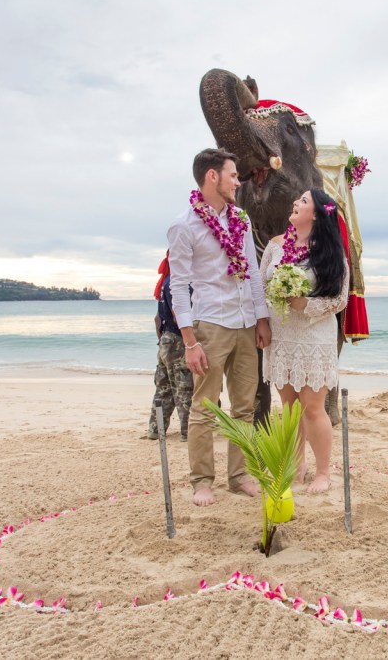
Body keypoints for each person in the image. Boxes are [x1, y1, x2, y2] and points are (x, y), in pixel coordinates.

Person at [168, 148, 271, 507]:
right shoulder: (184, 225)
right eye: (233, 175)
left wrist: (261, 319)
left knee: (245, 407)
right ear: (212, 177)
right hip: (210, 323)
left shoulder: (241, 218)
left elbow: (254, 274)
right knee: (205, 407)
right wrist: (190, 341)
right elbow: (178, 285)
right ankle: (202, 481)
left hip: (245, 324)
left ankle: (239, 475)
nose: (238, 182)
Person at [260, 188, 349, 493]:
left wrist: (305, 304)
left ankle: (323, 472)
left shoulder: (328, 250)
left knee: (312, 406)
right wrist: (262, 324)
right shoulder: (274, 247)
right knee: (288, 407)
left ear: (317, 213)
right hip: (281, 336)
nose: (295, 203)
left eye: (303, 201)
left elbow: (339, 300)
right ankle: (296, 467)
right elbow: (261, 287)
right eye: (297, 199)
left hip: (314, 336)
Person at [147, 251, 192, 442]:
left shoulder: (165, 281)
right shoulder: (181, 284)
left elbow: (158, 318)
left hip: (166, 339)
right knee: (184, 388)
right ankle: (187, 432)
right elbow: (178, 314)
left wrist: (162, 342)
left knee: (163, 386)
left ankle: (156, 429)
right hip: (178, 339)